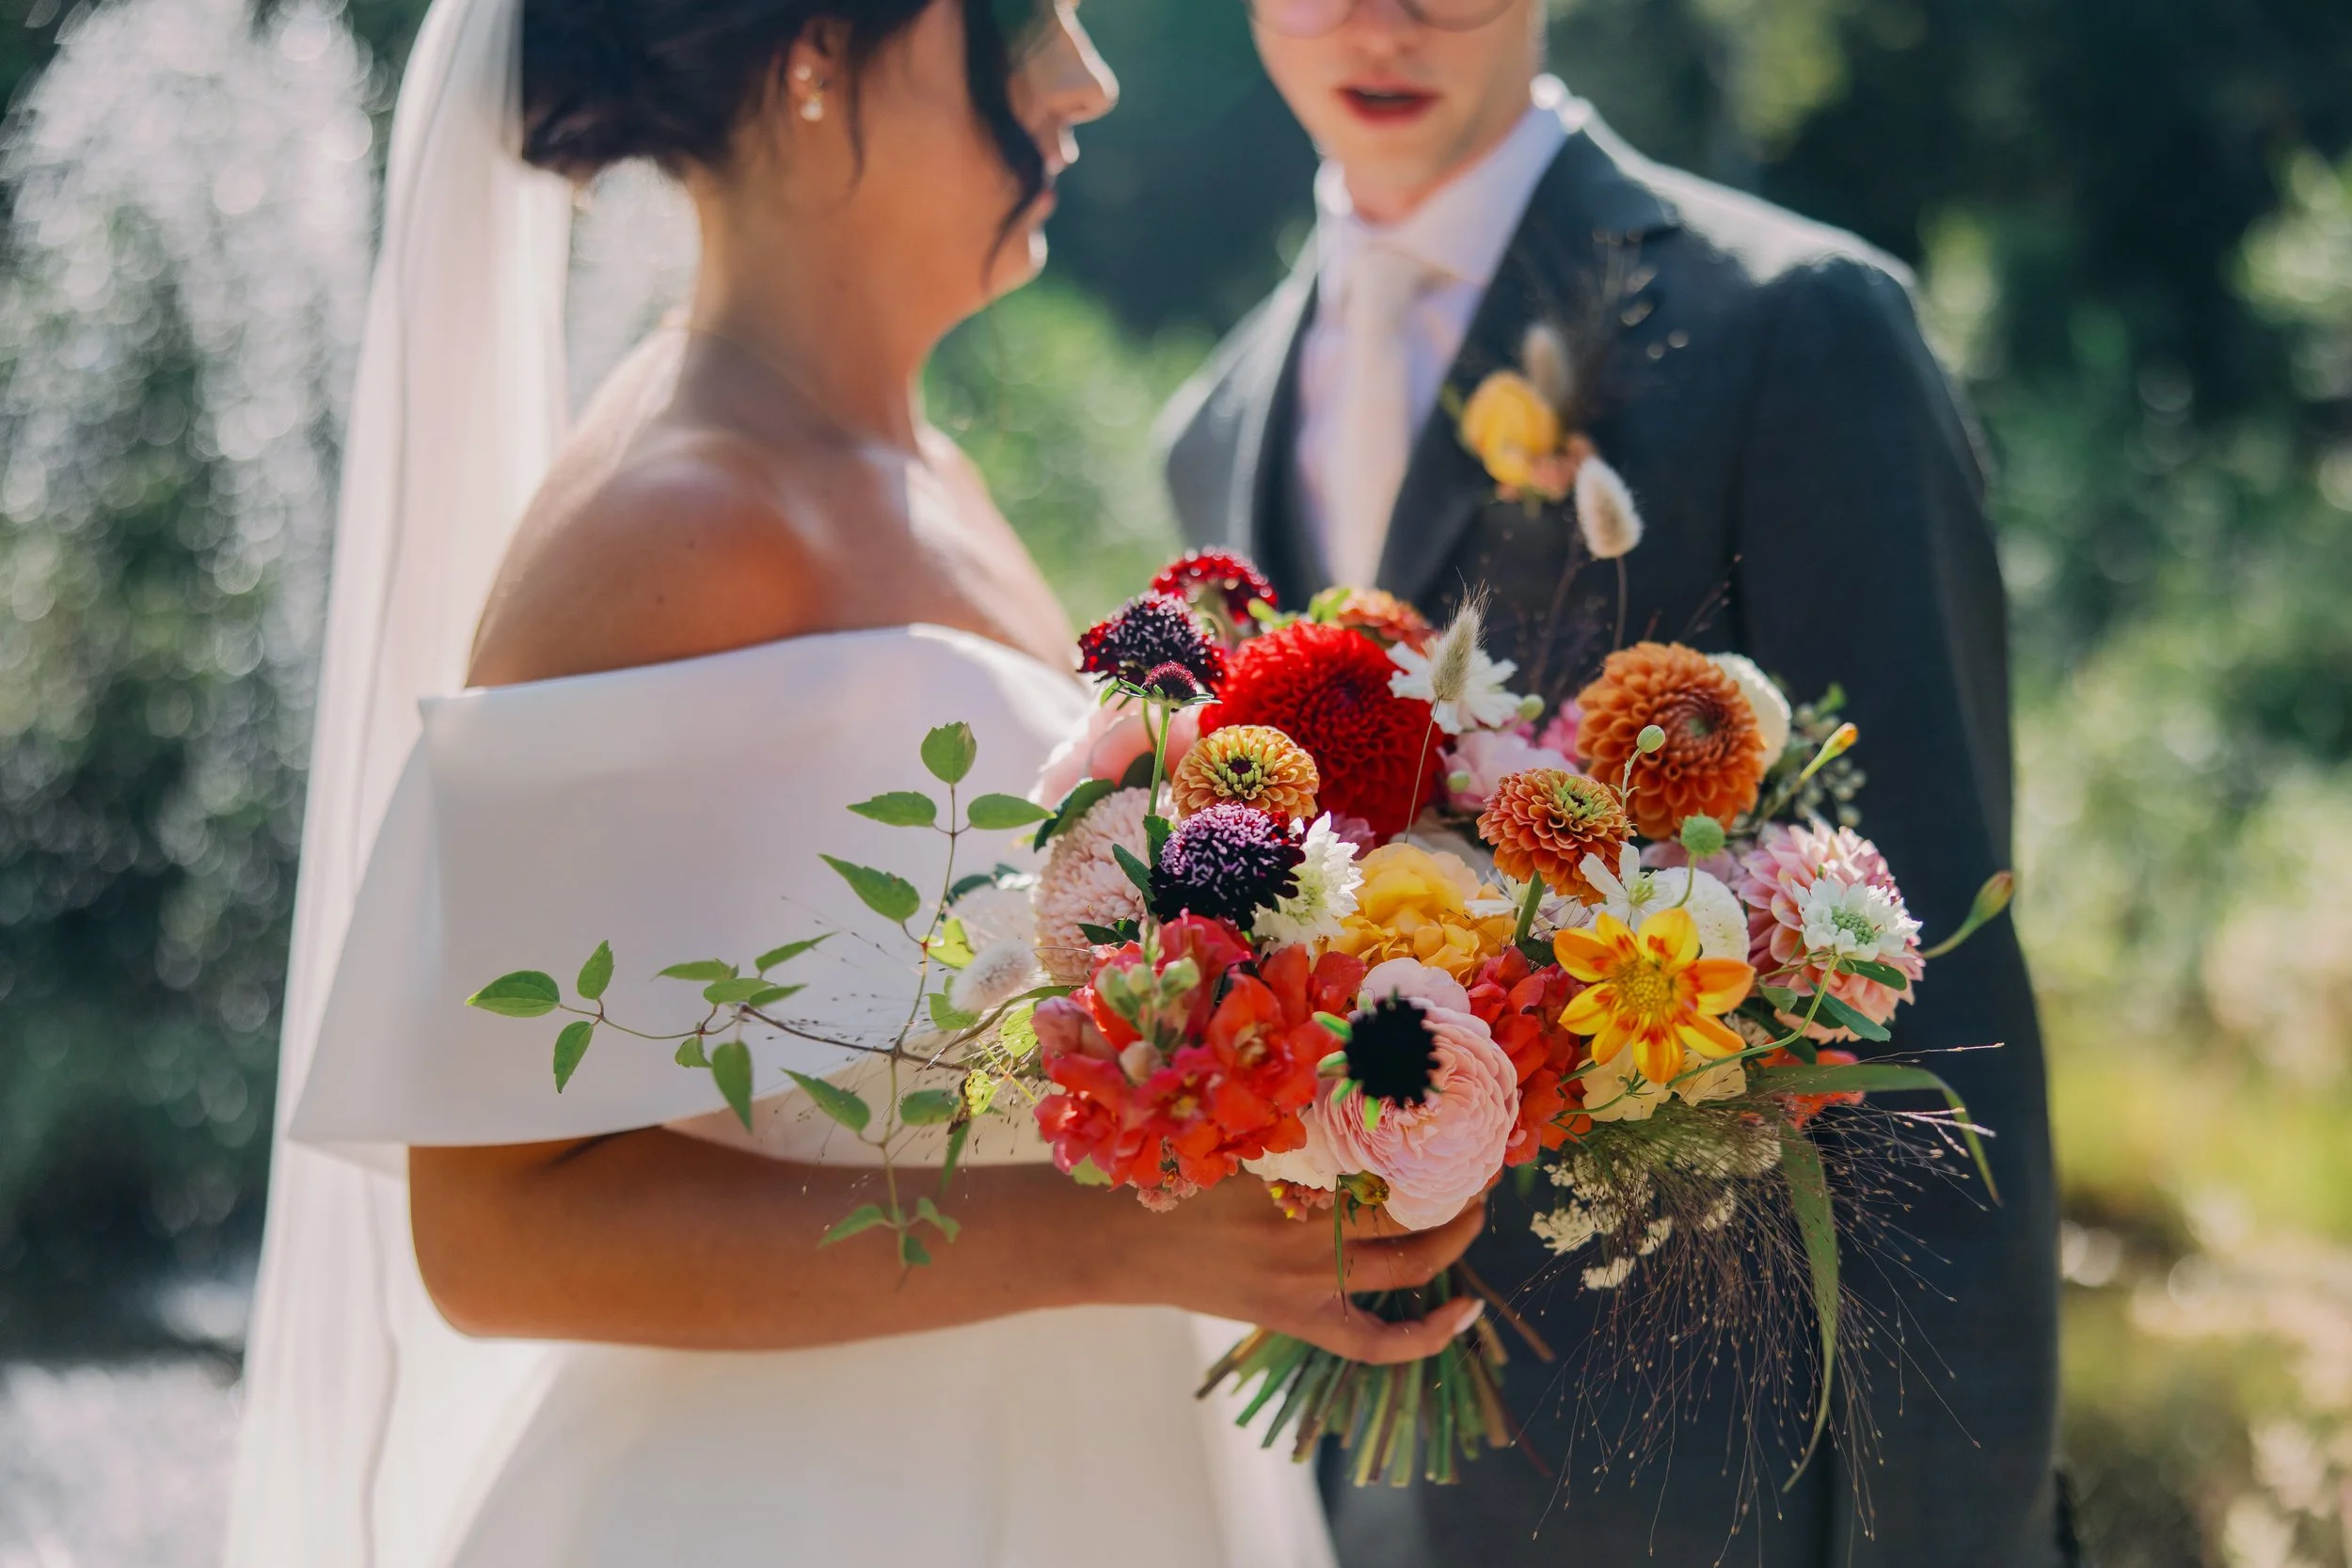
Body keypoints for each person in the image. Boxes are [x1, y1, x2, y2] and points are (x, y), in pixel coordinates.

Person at [224, 2, 1487, 1564]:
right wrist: (1114, 1237)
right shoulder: (666, 524)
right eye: (1026, 14)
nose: (1081, 75)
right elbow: (494, 1233)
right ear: (820, 51)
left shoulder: (919, 473)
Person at [1159, 1, 2070, 1564]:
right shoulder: (1218, 427)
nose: (1380, 19)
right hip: (1354, 1496)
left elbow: (1941, 1023)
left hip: (1716, 1493)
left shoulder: (1797, 329)